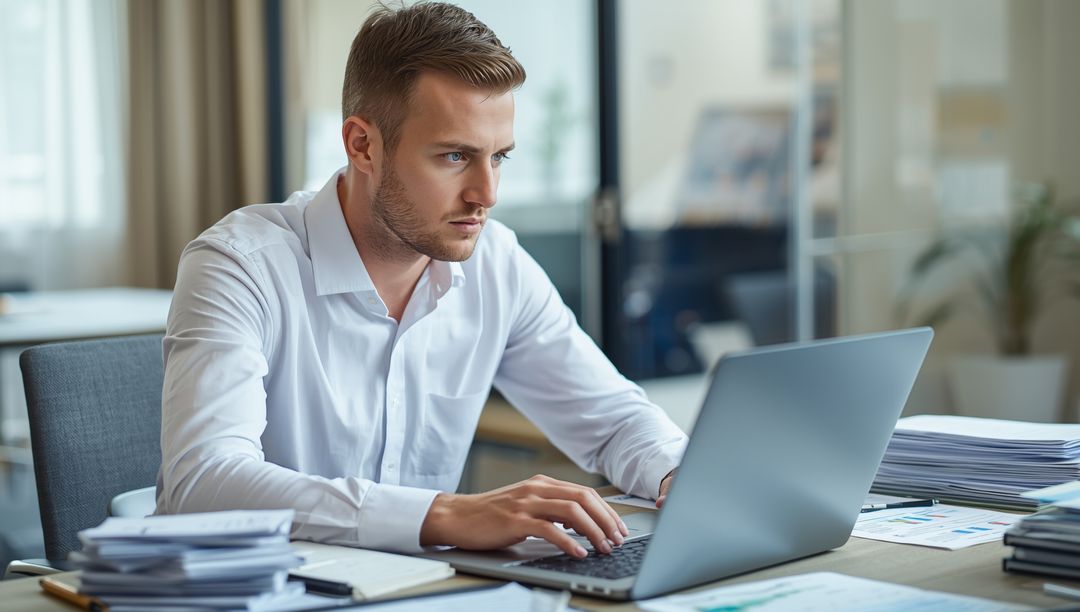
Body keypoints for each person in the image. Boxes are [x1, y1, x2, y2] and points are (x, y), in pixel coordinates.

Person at [157, 2, 686, 560]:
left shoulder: (496, 264)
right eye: (455, 156)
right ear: (363, 145)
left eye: (498, 157)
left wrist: (678, 475)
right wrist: (447, 514)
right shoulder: (240, 266)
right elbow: (203, 482)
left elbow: (612, 421)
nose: (487, 194)